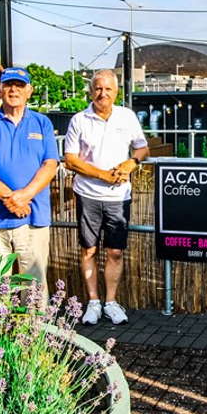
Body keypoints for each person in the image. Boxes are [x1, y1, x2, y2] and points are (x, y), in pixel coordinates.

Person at [62, 69, 150, 326]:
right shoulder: (79, 119)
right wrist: (103, 175)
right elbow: (70, 159)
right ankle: (93, 302)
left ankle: (111, 302)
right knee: (88, 250)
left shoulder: (127, 116)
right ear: (91, 91)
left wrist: (132, 162)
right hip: (87, 194)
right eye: (98, 88)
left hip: (118, 197)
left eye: (108, 89)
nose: (103, 93)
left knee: (115, 252)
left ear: (116, 92)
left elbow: (142, 146)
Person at [0, 66, 60, 292]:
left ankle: (34, 328)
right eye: (8, 84)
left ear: (29, 91)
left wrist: (24, 196)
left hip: (33, 217)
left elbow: (50, 165)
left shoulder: (42, 123)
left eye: (19, 86)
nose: (13, 90)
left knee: (33, 286)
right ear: (0, 89)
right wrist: (10, 198)